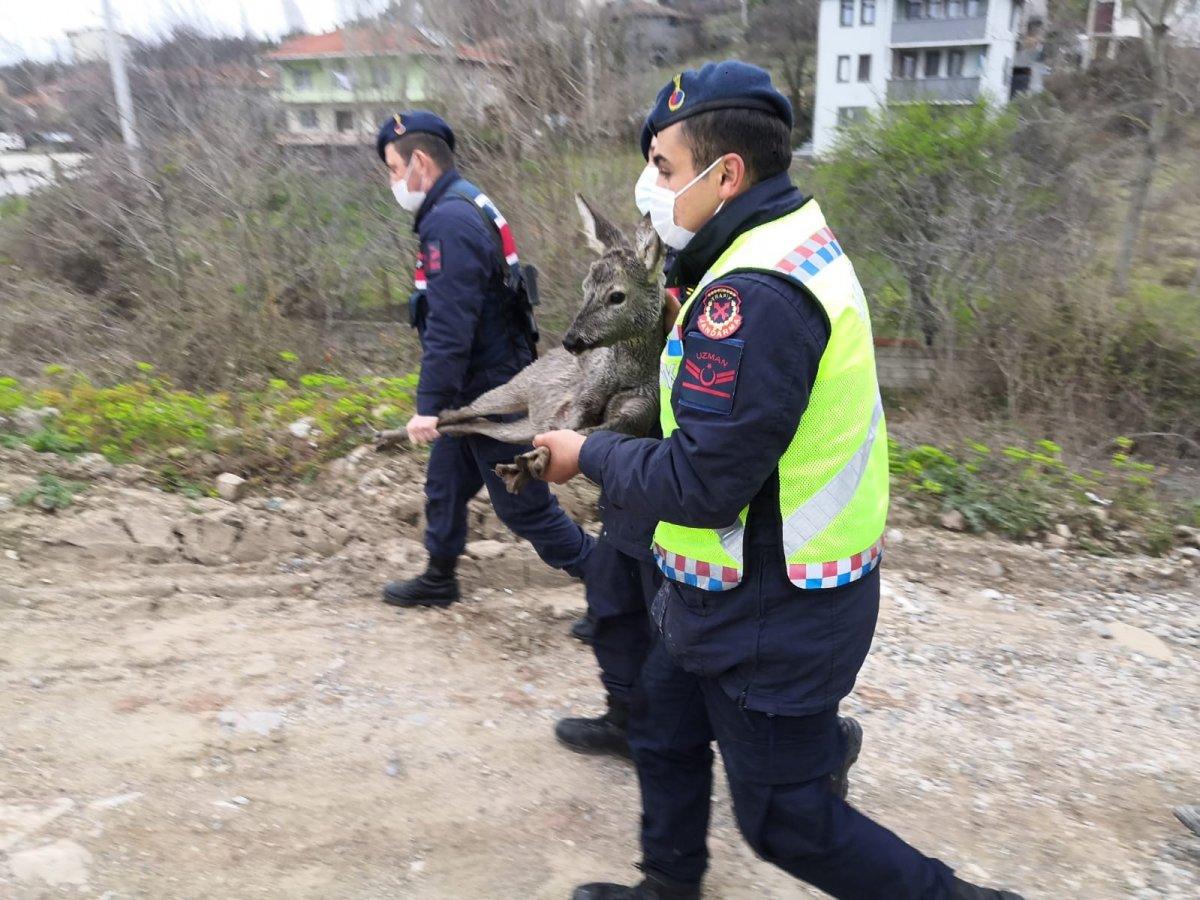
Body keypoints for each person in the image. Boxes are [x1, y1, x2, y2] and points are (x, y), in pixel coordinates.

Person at [533, 62, 1023, 900]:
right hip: (715, 585)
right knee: (662, 725)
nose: (649, 189)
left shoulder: (752, 295)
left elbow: (702, 480)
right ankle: (669, 884)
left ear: (726, 175)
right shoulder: (774, 240)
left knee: (786, 822)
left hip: (772, 606)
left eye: (662, 168)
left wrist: (588, 458)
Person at [375, 111, 593, 607]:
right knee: (445, 485)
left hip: (491, 389)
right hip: (477, 384)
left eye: (393, 168)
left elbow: (452, 325)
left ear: (420, 163)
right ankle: (439, 576)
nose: (391, 180)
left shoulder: (449, 222)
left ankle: (611, 585)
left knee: (523, 506)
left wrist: (429, 406)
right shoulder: (465, 202)